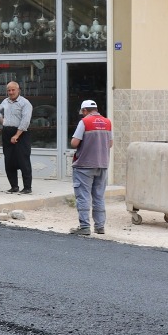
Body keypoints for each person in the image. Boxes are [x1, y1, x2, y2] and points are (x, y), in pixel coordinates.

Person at [69, 99, 113, 236]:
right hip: (102, 165)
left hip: (84, 166)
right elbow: (110, 144)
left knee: (83, 197)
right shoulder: (107, 122)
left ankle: (84, 227)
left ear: (84, 111)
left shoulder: (85, 122)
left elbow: (74, 143)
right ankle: (100, 227)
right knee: (99, 197)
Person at [0, 80, 34, 193]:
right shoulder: (5, 101)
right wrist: (2, 120)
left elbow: (25, 121)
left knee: (23, 160)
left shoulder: (25, 103)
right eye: (9, 90)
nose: (11, 92)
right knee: (9, 161)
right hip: (7, 132)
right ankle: (14, 186)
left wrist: (17, 135)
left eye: (13, 90)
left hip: (21, 133)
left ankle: (27, 187)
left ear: (18, 90)